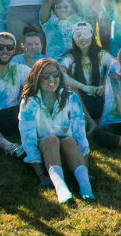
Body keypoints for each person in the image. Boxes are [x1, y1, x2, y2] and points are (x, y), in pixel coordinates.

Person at [18, 58, 95, 204]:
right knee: (52, 139)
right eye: (45, 76)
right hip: (44, 150)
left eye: (55, 74)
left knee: (70, 140)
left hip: (68, 149)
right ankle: (61, 188)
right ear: (36, 78)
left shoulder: (71, 98)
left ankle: (85, 186)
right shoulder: (29, 102)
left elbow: (80, 135)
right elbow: (28, 140)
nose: (51, 79)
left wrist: (85, 167)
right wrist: (41, 175)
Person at [62, 21, 114, 122]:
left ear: (92, 36)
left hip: (99, 97)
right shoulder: (69, 57)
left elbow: (116, 68)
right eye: (78, 35)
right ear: (73, 39)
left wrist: (105, 85)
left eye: (86, 34)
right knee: (72, 90)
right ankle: (90, 123)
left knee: (111, 89)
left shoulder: (102, 55)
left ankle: (103, 122)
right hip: (79, 101)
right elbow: (61, 74)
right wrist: (85, 88)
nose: (82, 38)